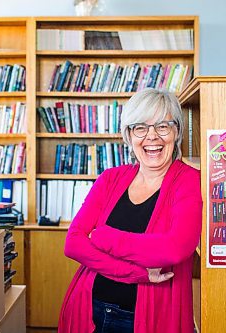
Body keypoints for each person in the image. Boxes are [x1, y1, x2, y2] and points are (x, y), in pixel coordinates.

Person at [58, 88, 202, 333]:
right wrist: (137, 273)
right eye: (140, 128)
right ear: (129, 135)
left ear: (176, 131)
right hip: (89, 308)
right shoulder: (110, 178)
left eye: (163, 126)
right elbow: (73, 244)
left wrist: (104, 237)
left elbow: (175, 249)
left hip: (150, 318)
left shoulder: (189, 180)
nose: (152, 137)